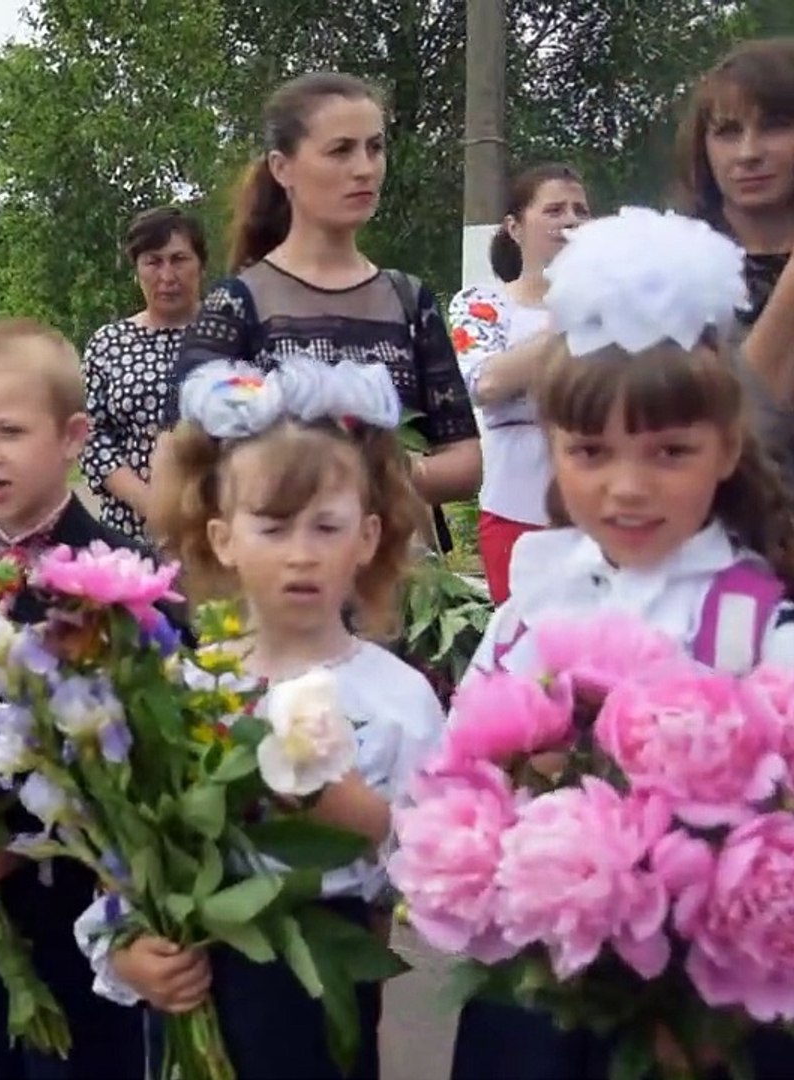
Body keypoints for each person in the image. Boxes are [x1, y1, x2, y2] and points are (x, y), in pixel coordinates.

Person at [447, 207, 794, 1080]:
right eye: (591, 451)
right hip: (540, 991)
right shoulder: (532, 603)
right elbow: (459, 775)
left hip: (699, 1005)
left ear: (725, 450)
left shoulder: (745, 610)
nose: (627, 487)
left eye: (669, 451)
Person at [88, 355, 442, 1080]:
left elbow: (437, 871)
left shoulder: (397, 699)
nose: (302, 556)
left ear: (368, 537)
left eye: (327, 527)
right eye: (273, 528)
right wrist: (130, 951)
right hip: (198, 987)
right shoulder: (184, 687)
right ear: (223, 539)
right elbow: (127, 864)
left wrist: (351, 811)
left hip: (321, 993)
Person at [0, 320, 158, 1079]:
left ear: (73, 434)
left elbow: (143, 756)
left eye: (10, 431)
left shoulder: (125, 579)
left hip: (81, 905)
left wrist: (20, 843)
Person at [168, 74, 480, 540]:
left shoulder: (408, 300)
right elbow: (183, 468)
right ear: (282, 168)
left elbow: (466, 462)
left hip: (400, 580)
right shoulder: (237, 305)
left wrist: (387, 470)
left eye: (375, 148)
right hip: (280, 578)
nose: (365, 168)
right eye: (341, 151)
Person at [447, 165, 590, 602]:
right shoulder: (482, 304)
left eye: (580, 211)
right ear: (514, 226)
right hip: (515, 504)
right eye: (553, 210)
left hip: (599, 505)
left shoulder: (614, 307)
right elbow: (485, 382)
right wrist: (574, 317)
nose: (570, 221)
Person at [677, 39, 794, 491]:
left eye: (776, 126)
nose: (748, 152)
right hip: (731, 546)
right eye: (727, 131)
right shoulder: (668, 272)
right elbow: (740, 441)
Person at [80, 208, 207, 535]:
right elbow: (90, 436)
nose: (167, 276)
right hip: (131, 530)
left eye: (179, 259)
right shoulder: (108, 343)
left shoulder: (234, 337)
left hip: (218, 526)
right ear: (137, 269)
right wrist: (150, 503)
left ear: (201, 264)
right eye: (153, 261)